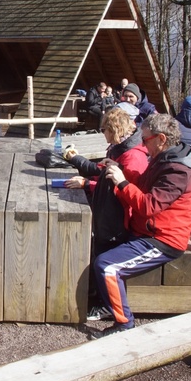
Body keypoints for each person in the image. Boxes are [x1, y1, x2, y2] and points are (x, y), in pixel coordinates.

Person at [90, 113, 191, 337]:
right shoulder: (165, 159)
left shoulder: (178, 172)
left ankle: (124, 324)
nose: (142, 144)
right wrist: (119, 168)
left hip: (162, 240)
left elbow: (148, 206)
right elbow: (142, 184)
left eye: (145, 139)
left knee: (107, 266)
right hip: (146, 231)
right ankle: (100, 301)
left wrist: (122, 181)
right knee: (98, 242)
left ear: (161, 138)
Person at [64, 107, 149, 321]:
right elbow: (103, 173)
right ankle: (97, 296)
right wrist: (79, 164)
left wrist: (88, 184)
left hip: (120, 219)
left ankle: (106, 306)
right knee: (98, 250)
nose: (103, 134)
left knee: (105, 255)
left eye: (104, 130)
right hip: (109, 213)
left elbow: (124, 191)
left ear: (114, 130)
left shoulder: (133, 157)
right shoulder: (119, 149)